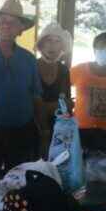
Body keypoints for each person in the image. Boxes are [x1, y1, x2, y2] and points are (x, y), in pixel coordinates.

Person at [0, 0, 44, 176]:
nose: (7, 26)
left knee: (18, 181)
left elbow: (36, 96)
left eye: (13, 22)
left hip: (22, 131)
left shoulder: (29, 59)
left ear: (20, 29)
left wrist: (43, 130)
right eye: (2, 21)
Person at [35, 24, 73, 155]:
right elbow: (30, 104)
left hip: (57, 130)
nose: (52, 46)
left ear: (62, 47)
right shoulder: (32, 66)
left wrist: (46, 106)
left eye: (57, 41)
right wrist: (55, 106)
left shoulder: (63, 70)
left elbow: (67, 104)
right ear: (41, 44)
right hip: (33, 128)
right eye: (49, 40)